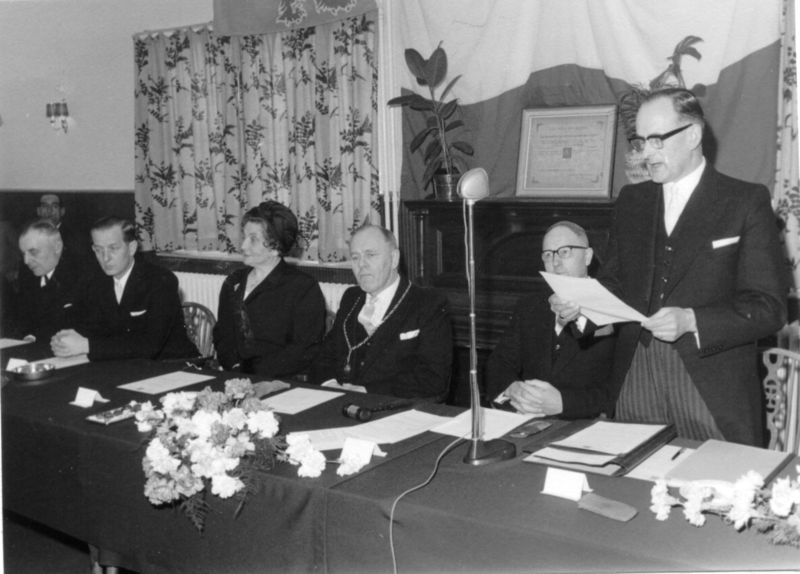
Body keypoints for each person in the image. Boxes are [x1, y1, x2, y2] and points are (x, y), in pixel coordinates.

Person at [554, 88, 787, 445]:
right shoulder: (631, 201)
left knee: (715, 479)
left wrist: (692, 320)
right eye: (640, 141)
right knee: (635, 475)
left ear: (693, 135)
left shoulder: (745, 201)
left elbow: (769, 308)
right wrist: (581, 309)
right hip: (635, 378)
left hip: (710, 386)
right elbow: (614, 283)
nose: (645, 153)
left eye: (657, 140)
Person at [486, 221, 617, 419]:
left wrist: (563, 403)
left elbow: (620, 389)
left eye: (565, 252)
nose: (555, 263)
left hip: (588, 424)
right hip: (527, 420)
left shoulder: (613, 308)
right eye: (548, 255)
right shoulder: (530, 306)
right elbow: (499, 364)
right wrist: (512, 388)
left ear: (588, 256)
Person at [309, 224, 452, 401]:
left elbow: (433, 378)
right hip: (342, 402)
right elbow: (324, 356)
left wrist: (367, 391)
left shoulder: (428, 304)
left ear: (394, 259)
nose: (361, 265)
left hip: (395, 406)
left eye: (370, 255)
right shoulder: (351, 298)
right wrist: (330, 384)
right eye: (355, 257)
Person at [50, 216, 198, 361]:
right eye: (98, 250)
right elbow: (84, 323)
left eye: (113, 248)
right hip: (124, 365)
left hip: (172, 365)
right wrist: (63, 340)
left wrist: (86, 345)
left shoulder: (160, 280)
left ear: (131, 248)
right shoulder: (95, 281)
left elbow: (150, 345)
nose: (105, 258)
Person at [213, 201, 326, 378]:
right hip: (235, 376)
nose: (243, 246)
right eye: (244, 237)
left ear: (275, 247)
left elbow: (303, 349)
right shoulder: (233, 282)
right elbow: (223, 335)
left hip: (280, 379)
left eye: (253, 239)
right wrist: (235, 368)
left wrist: (254, 374)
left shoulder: (303, 287)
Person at [4, 220, 85, 343]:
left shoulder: (81, 276)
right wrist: (29, 337)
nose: (26, 261)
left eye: (33, 252)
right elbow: (21, 316)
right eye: (23, 254)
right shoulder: (27, 274)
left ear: (57, 247)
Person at [36, 193, 91, 262]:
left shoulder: (76, 239)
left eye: (55, 206)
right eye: (45, 206)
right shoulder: (30, 236)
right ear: (38, 211)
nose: (49, 210)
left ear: (62, 211)